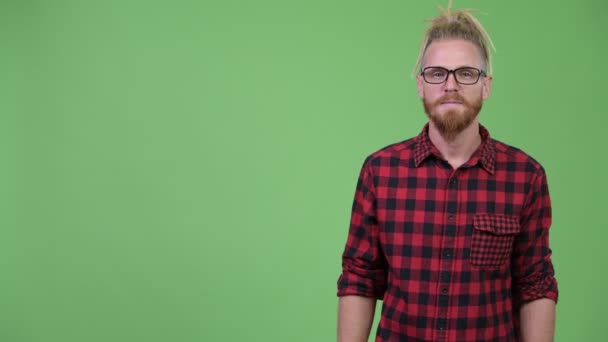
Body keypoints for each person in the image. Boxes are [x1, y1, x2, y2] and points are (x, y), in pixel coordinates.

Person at [336, 3, 558, 342]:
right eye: (437, 73)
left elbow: (535, 284)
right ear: (420, 85)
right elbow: (359, 278)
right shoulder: (380, 172)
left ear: (486, 86)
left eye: (465, 73)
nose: (450, 85)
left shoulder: (525, 177)